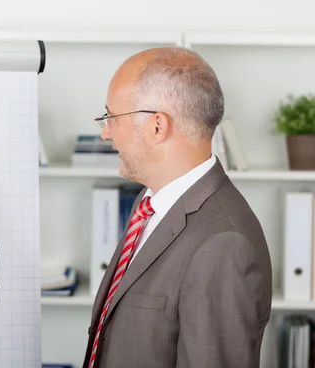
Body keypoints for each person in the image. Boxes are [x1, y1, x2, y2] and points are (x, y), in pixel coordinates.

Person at [83, 47, 272, 368]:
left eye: (111, 117)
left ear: (157, 125)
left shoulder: (224, 243)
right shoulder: (150, 205)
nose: (105, 132)